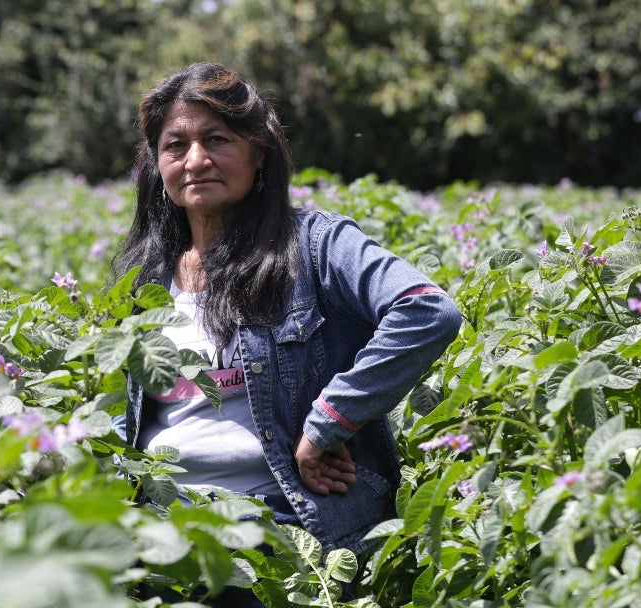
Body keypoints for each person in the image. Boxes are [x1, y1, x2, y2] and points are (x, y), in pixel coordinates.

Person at [112, 62, 462, 603]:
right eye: (175, 145)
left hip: (282, 536)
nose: (195, 161)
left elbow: (427, 310)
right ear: (157, 164)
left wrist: (329, 422)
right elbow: (132, 414)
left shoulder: (314, 245)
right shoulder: (148, 275)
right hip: (158, 533)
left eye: (217, 140)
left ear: (259, 152)